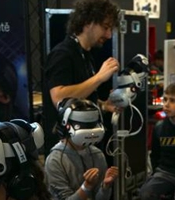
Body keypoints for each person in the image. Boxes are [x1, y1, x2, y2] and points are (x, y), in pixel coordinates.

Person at [43, 0, 121, 149]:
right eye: (105, 27)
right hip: (65, 148)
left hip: (84, 145)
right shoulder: (63, 54)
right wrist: (99, 78)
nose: (109, 35)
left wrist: (104, 106)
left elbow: (81, 97)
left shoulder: (85, 55)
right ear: (87, 22)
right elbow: (59, 98)